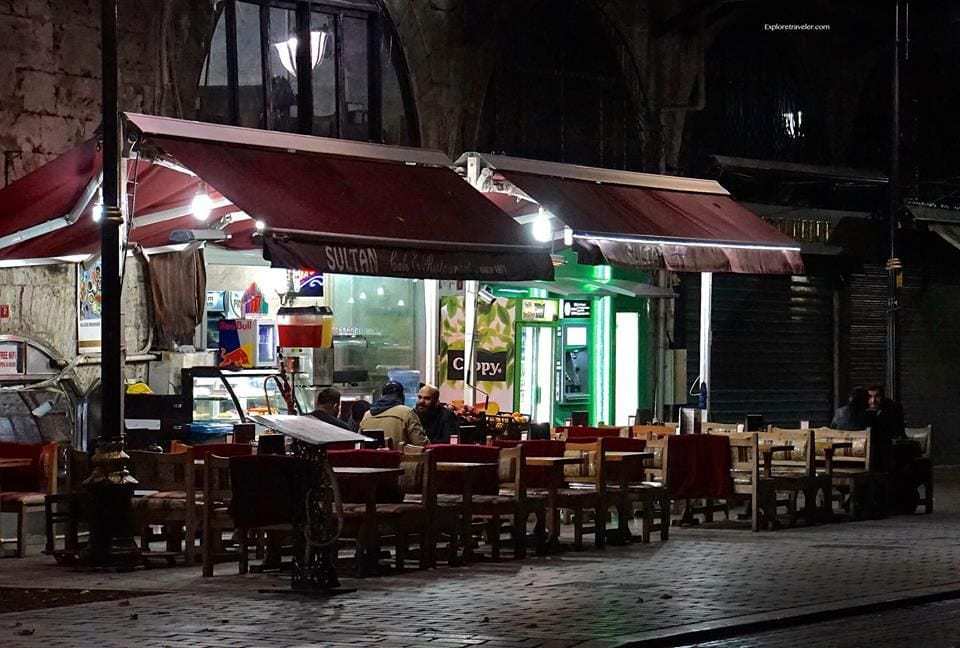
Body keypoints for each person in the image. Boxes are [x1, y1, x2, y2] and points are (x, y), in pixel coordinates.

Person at [359, 381, 429, 447]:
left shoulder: (367, 415)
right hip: (399, 459)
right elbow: (421, 444)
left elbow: (359, 444)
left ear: (382, 396)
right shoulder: (406, 412)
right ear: (402, 396)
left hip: (371, 459)